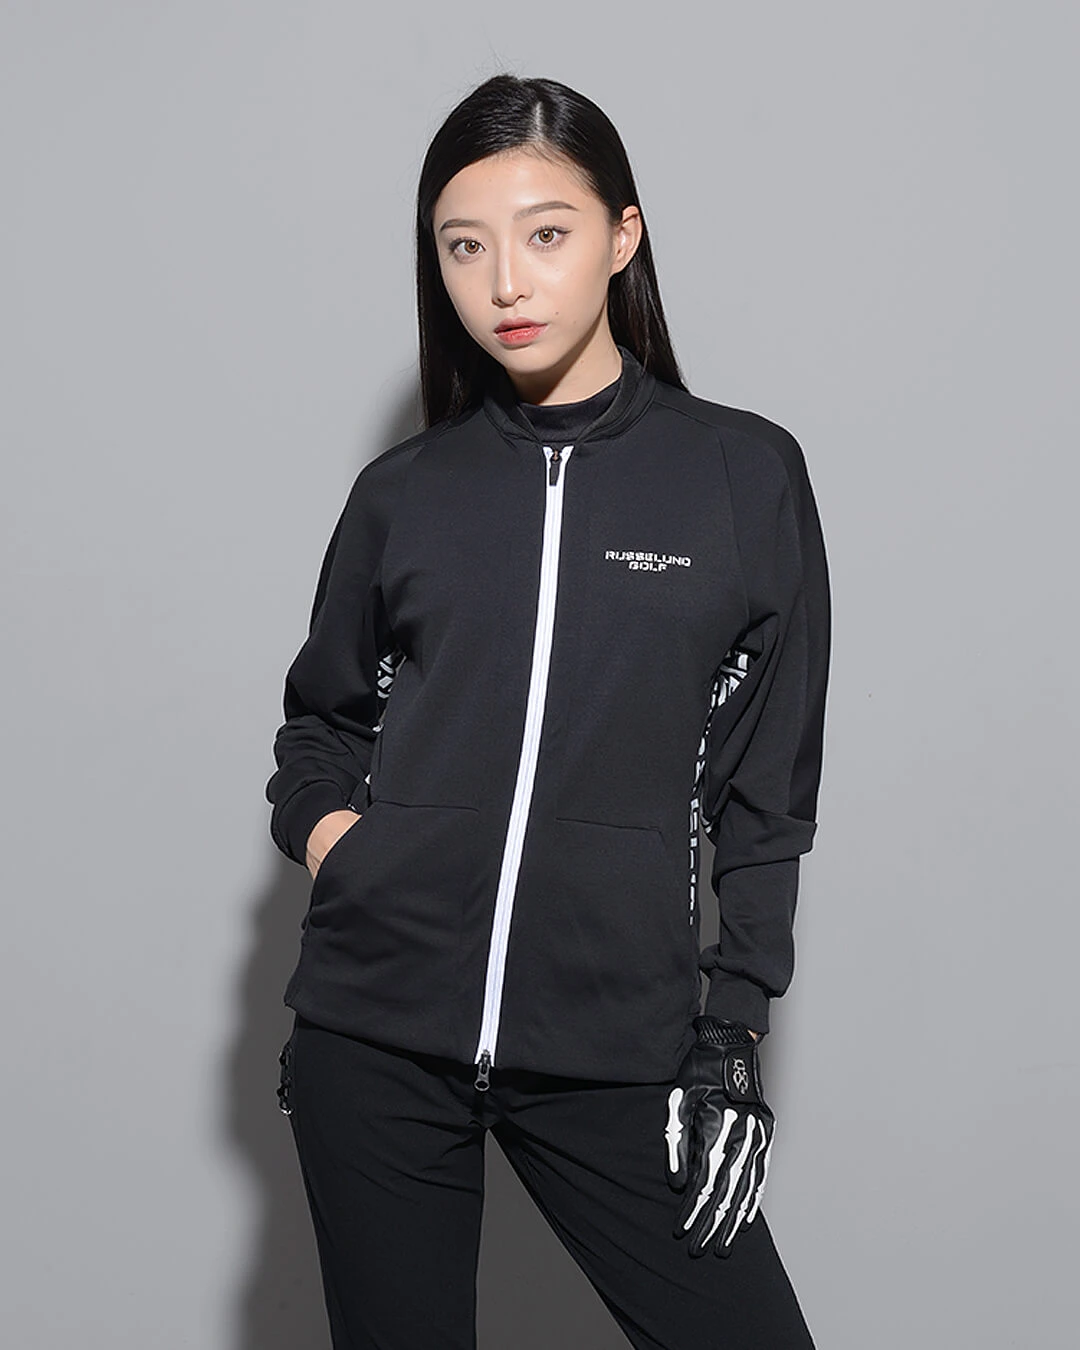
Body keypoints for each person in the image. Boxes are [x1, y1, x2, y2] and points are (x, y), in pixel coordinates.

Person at [265, 72, 830, 1350]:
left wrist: (734, 1026)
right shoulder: (405, 492)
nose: (505, 283)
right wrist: (342, 846)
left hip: (616, 1045)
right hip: (375, 1036)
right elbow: (319, 727)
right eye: (464, 247)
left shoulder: (741, 475)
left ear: (623, 238)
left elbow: (767, 794)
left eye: (547, 233)